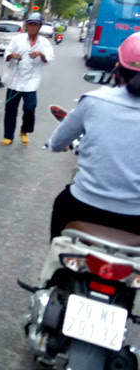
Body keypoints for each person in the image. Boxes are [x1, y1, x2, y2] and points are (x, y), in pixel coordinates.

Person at [47, 32, 140, 239]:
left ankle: (54, 269)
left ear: (118, 70)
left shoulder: (94, 100)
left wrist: (54, 145)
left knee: (61, 208)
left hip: (84, 207)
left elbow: (57, 142)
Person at [1, 11, 54, 145]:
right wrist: (12, 56)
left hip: (32, 81)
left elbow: (49, 59)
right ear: (26, 26)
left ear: (39, 26)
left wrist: (40, 54)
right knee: (10, 109)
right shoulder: (17, 39)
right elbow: (6, 54)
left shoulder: (44, 42)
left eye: (35, 25)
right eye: (30, 24)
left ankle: (24, 130)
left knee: (30, 107)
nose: (32, 27)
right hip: (15, 79)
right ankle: (8, 136)